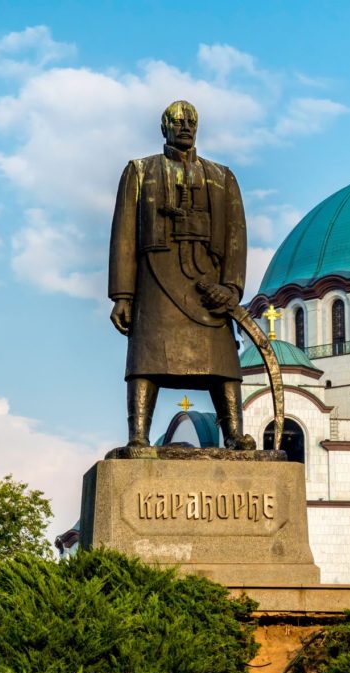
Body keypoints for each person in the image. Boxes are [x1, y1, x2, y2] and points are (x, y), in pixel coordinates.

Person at [108, 100, 255, 450]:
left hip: (209, 286)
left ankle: (234, 435)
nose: (185, 125)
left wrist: (232, 288)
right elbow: (124, 236)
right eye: (177, 120)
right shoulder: (140, 172)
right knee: (147, 358)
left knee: (223, 361)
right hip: (156, 282)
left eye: (191, 120)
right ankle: (138, 437)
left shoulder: (221, 176)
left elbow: (236, 237)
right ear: (164, 127)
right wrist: (122, 296)